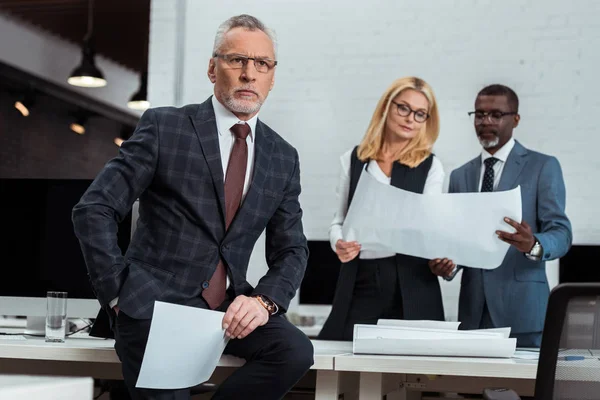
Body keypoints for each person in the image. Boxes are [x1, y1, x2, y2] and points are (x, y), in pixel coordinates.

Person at [72, 14, 313, 400]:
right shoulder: (166, 128)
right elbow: (94, 208)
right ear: (212, 69)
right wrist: (117, 294)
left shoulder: (282, 156)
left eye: (262, 64)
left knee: (294, 352)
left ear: (272, 76)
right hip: (154, 311)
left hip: (228, 312)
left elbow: (292, 249)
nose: (249, 74)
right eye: (237, 60)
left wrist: (264, 301)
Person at [429, 84, 572, 348]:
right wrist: (448, 266)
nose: (486, 121)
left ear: (515, 119)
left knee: (527, 390)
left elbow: (561, 233)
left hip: (524, 312)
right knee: (472, 390)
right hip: (473, 315)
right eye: (480, 114)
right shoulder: (460, 176)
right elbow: (458, 241)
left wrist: (534, 244)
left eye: (496, 114)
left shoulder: (542, 166)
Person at [318, 77, 446, 341]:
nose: (410, 118)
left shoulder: (431, 166)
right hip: (360, 279)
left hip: (412, 281)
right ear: (387, 106)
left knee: (412, 368)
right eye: (404, 108)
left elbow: (430, 227)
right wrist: (338, 242)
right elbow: (338, 221)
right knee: (340, 353)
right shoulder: (353, 160)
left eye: (420, 114)